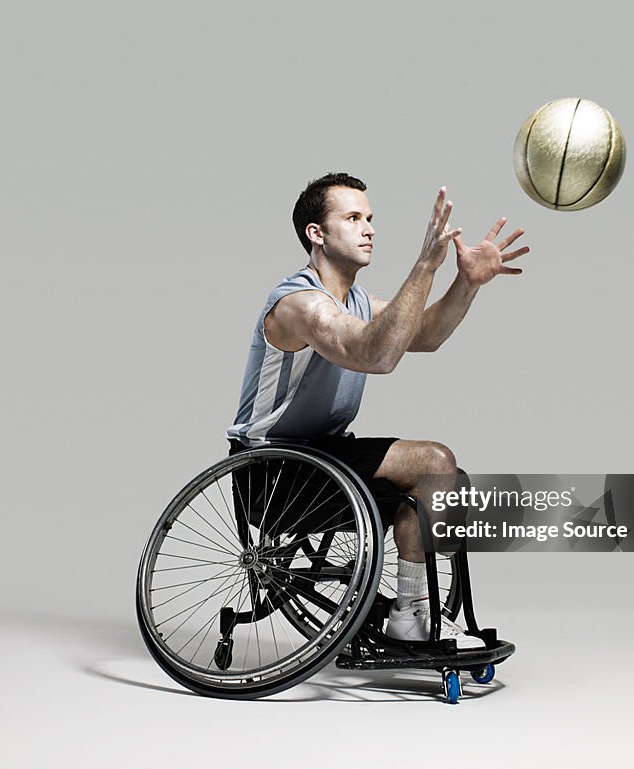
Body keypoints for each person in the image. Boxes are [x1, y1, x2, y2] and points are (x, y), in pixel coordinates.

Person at [226, 172, 528, 648]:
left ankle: (411, 612)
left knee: (439, 481)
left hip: (327, 458)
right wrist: (425, 266)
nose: (368, 228)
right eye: (352, 218)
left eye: (369, 218)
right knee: (433, 461)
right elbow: (375, 354)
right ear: (316, 234)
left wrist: (466, 283)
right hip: (273, 470)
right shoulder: (298, 303)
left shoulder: (359, 302)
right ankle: (413, 614)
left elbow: (422, 334)